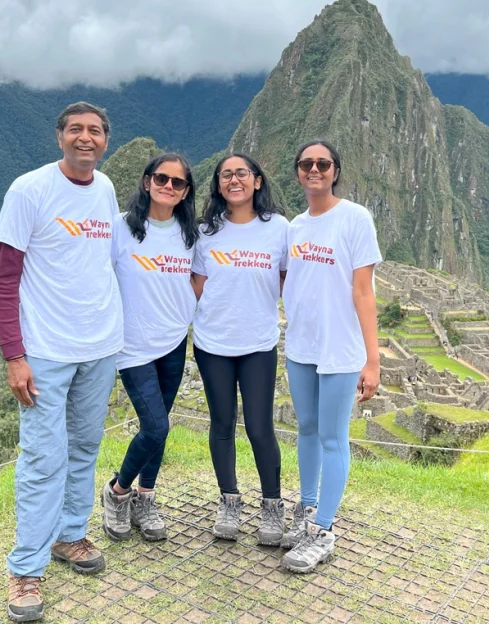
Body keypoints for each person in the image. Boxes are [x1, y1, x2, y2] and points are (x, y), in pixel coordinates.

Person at [0, 102, 123, 623]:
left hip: (100, 345)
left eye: (94, 131)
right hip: (44, 351)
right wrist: (14, 355)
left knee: (85, 445)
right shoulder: (29, 190)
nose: (84, 138)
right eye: (76, 130)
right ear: (60, 137)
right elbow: (5, 280)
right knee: (43, 456)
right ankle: (25, 567)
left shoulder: (107, 188)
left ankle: (70, 534)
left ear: (105, 140)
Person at [279, 140, 381, 574]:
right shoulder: (295, 227)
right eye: (307, 164)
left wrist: (372, 360)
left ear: (335, 170)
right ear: (298, 171)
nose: (314, 170)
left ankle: (323, 530)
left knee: (334, 437)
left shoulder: (355, 219)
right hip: (301, 345)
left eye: (323, 164)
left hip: (341, 349)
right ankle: (305, 507)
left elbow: (363, 290)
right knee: (307, 428)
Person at [190, 152, 289, 545]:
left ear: (257, 181)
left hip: (258, 343)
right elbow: (195, 285)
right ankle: (229, 500)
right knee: (222, 424)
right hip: (213, 341)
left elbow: (287, 281)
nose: (234, 180)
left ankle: (272, 505)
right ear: (217, 184)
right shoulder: (205, 232)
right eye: (226, 174)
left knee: (261, 427)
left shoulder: (278, 228)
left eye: (242, 173)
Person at [102, 153, 199, 543]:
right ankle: (118, 491)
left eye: (178, 183)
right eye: (162, 178)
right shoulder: (120, 230)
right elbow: (96, 278)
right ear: (147, 182)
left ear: (186, 191)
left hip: (174, 340)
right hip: (133, 345)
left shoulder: (190, 233)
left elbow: (202, 277)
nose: (168, 187)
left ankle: (146, 496)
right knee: (157, 426)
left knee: (156, 429)